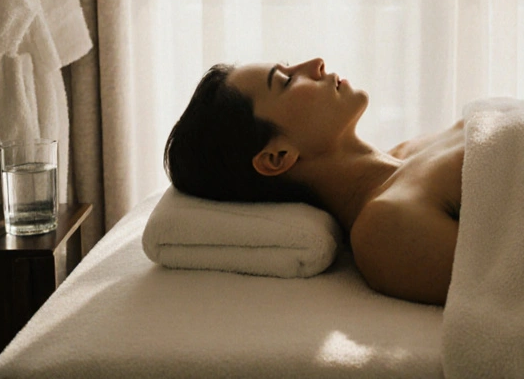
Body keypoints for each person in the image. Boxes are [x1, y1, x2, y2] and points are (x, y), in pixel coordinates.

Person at [165, 58, 462, 305]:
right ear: (277, 157)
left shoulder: (412, 149)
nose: (316, 63)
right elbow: (502, 291)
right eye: (285, 81)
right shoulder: (383, 230)